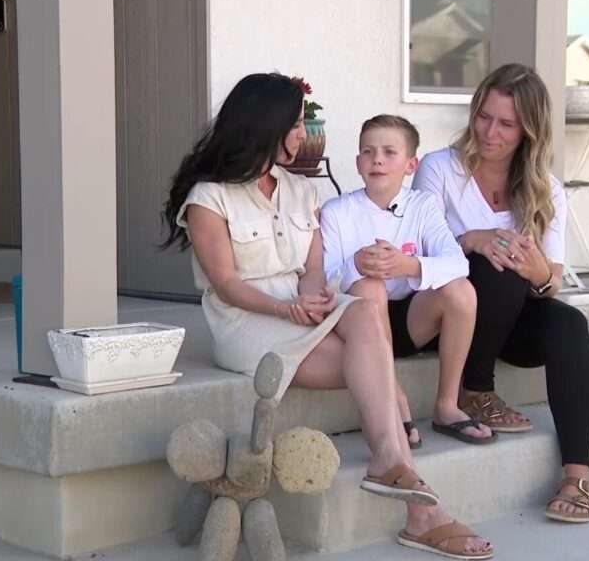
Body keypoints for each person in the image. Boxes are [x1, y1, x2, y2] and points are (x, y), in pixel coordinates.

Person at [162, 73, 493, 559]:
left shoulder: (301, 189)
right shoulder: (207, 198)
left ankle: (391, 463)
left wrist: (313, 296)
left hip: (303, 305)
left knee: (364, 308)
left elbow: (314, 267)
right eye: (296, 124)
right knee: (373, 367)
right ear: (267, 126)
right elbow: (227, 285)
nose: (304, 134)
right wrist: (286, 308)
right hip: (247, 321)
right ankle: (419, 507)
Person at [412, 63, 589, 523]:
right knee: (493, 257)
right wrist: (471, 240)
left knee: (569, 323)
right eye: (484, 116)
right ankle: (474, 389)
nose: (489, 132)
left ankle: (577, 476)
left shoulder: (546, 189)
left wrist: (538, 271)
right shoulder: (440, 169)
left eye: (506, 124)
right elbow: (417, 251)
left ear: (528, 132)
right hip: (449, 317)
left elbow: (552, 281)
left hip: (509, 318)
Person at [321, 114, 494, 448]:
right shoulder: (336, 211)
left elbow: (457, 263)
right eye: (368, 152)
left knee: (461, 290)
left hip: (410, 321)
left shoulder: (422, 205)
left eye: (389, 152)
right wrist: (356, 264)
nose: (378, 160)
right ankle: (393, 400)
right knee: (370, 285)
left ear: (411, 165)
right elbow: (326, 281)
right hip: (360, 329)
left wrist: (407, 265)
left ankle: (447, 405)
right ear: (357, 162)